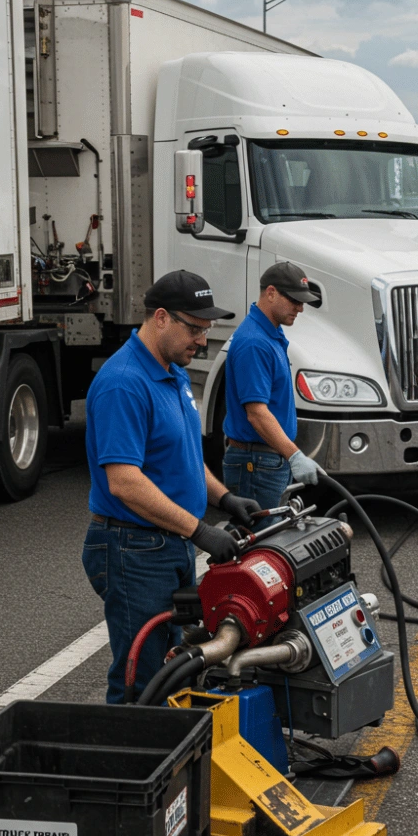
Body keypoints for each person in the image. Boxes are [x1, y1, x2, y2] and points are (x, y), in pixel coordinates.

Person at [83, 270, 262, 704]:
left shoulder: (171, 371)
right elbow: (124, 482)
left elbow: (181, 455)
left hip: (167, 544)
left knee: (173, 667)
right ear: (161, 318)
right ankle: (130, 766)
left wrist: (223, 497)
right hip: (133, 548)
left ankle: (169, 760)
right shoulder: (124, 382)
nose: (202, 341)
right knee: (141, 679)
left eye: (206, 330)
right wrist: (200, 531)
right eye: (195, 329)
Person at [223, 262, 323, 521]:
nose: (300, 308)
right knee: (260, 546)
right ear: (270, 293)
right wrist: (295, 455)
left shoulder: (270, 334)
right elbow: (256, 413)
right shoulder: (255, 342)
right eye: (294, 301)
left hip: (263, 461)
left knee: (270, 542)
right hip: (255, 463)